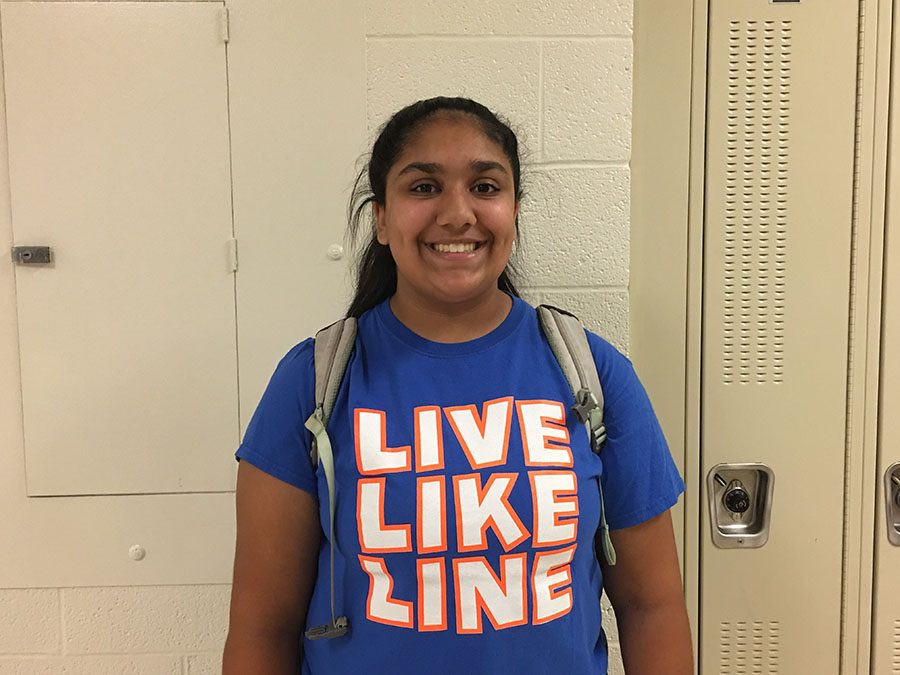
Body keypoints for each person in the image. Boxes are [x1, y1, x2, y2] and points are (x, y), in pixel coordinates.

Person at [223, 96, 693, 674]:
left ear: (514, 210)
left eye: (486, 187)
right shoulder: (314, 380)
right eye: (423, 188)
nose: (457, 213)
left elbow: (652, 607)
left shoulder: (593, 373)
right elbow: (262, 629)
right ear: (381, 218)